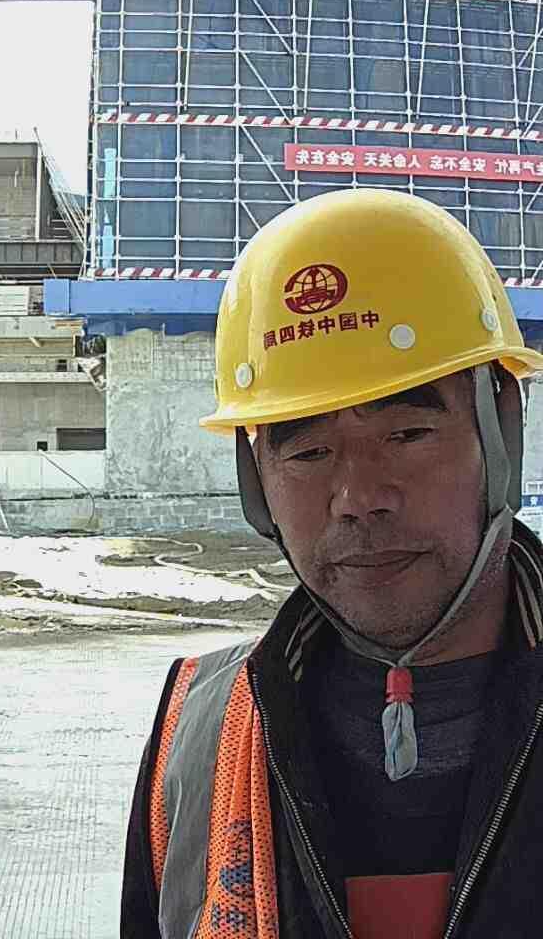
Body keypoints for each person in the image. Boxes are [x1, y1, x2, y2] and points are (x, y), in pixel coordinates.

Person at [120, 189, 543, 939]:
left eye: (407, 434)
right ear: (258, 486)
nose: (358, 499)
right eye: (309, 452)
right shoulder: (198, 735)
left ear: (499, 430)